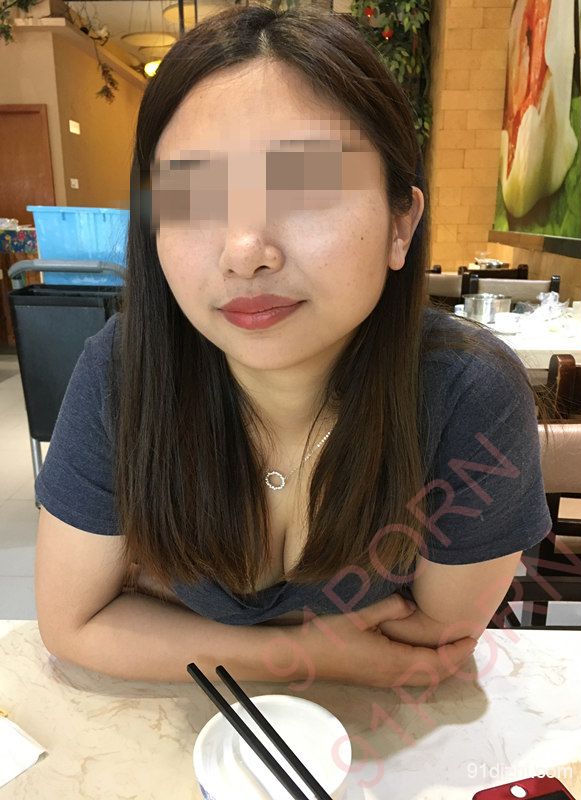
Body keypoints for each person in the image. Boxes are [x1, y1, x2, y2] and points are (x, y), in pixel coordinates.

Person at [34, 6, 551, 688]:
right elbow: (72, 624)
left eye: (305, 187)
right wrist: (319, 652)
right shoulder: (125, 371)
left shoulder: (467, 393)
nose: (246, 251)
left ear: (401, 225)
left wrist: (160, 611)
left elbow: (432, 643)